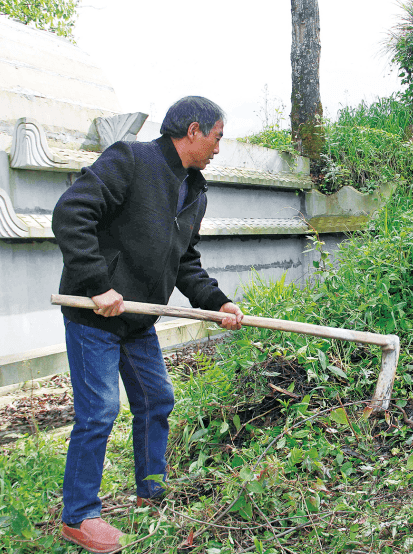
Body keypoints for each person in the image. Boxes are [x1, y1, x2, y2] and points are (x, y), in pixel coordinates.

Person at [52, 96, 243, 553]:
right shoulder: (131, 160)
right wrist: (98, 284)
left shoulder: (193, 188)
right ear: (194, 130)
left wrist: (218, 301)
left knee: (158, 400)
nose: (220, 147)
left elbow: (184, 261)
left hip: (139, 320)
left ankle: (150, 490)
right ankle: (78, 517)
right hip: (95, 315)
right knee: (99, 412)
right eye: (218, 137)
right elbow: (70, 213)